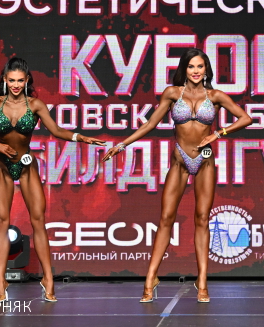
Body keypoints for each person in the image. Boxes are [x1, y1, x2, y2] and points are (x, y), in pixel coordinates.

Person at [101, 48, 251, 303]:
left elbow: (245, 118)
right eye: (191, 66)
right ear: (184, 69)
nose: (196, 71)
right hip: (180, 161)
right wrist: (123, 144)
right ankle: (150, 278)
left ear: (206, 69)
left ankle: (202, 282)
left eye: (200, 66)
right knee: (166, 218)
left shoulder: (215, 96)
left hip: (204, 162)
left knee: (202, 219)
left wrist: (218, 133)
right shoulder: (172, 93)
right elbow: (150, 124)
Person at [0, 56, 107, 302]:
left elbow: (56, 130)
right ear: (4, 80)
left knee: (38, 221)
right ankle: (0, 281)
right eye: (11, 80)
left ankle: (48, 278)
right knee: (2, 223)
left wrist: (80, 138)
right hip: (3, 167)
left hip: (27, 166)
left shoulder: (36, 105)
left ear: (27, 80)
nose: (16, 85)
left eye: (20, 80)